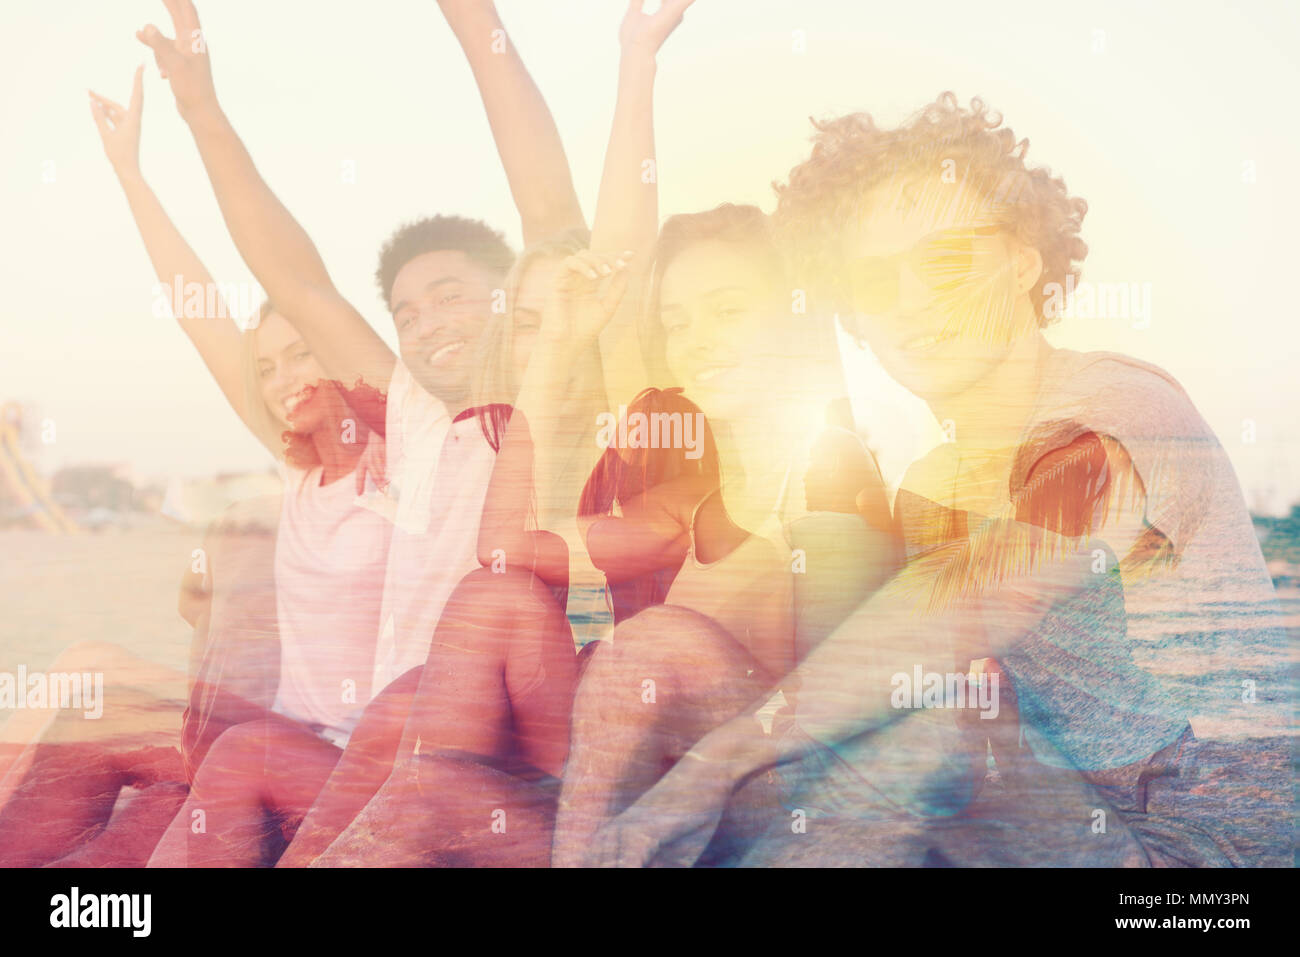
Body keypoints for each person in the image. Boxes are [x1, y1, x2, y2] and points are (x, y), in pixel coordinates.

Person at [581, 93, 1290, 867]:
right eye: (876, 282)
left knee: (946, 729)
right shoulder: (928, 484)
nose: (912, 301)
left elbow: (968, 602)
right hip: (1019, 825)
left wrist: (712, 765)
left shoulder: (1118, 410)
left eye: (946, 258)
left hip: (1203, 862)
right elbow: (882, 674)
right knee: (661, 654)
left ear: (1024, 259)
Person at [551, 0, 900, 866]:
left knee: (656, 643)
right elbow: (620, 270)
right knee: (431, 783)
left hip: (807, 814)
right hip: (683, 811)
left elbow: (839, 726)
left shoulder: (828, 465)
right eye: (678, 320)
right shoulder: (692, 488)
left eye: (729, 309)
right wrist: (636, 61)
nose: (696, 337)